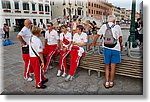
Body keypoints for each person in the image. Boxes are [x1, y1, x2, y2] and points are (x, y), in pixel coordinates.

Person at [93, 15, 123, 88]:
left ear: (108, 20)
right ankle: (111, 82)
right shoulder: (118, 27)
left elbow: (97, 36)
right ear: (114, 21)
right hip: (116, 49)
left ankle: (106, 82)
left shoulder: (104, 26)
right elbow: (120, 38)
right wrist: (121, 46)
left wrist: (94, 43)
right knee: (113, 67)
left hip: (107, 48)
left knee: (107, 66)